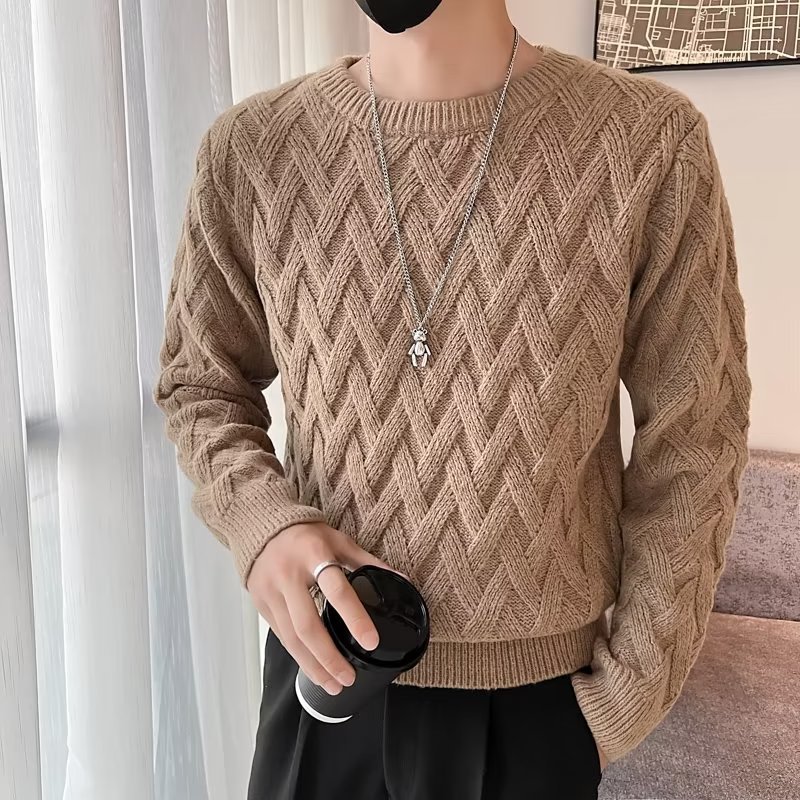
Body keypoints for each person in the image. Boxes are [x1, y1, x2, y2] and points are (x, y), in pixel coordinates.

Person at [152, 0, 752, 797]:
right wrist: (264, 527)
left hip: (535, 710)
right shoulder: (253, 150)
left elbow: (696, 435)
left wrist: (623, 700)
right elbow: (201, 383)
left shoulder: (648, 142)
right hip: (323, 688)